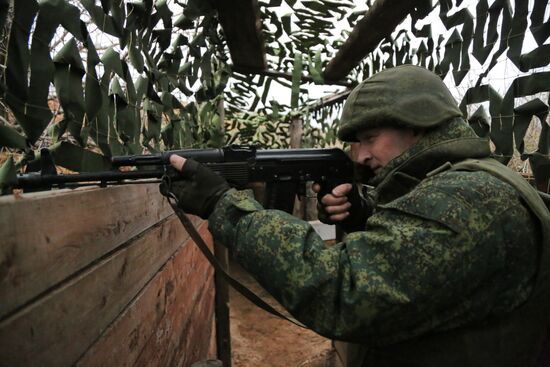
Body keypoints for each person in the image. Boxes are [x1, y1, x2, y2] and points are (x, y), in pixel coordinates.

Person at [161, 65, 550, 367]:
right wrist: (366, 212)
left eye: (369, 138)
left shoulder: (466, 200)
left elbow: (343, 292)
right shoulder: (465, 182)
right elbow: (422, 259)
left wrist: (224, 204)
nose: (359, 156)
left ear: (418, 125)